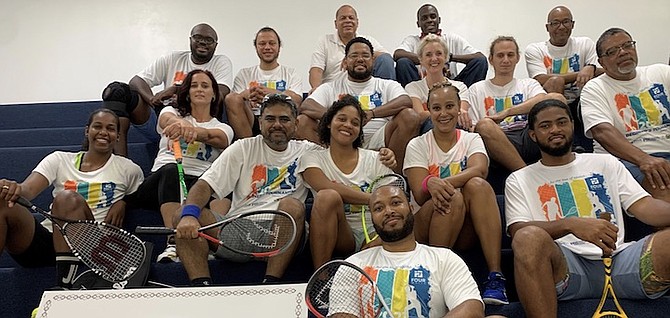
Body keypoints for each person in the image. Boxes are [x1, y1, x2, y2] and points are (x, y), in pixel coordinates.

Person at [506, 98, 670, 317]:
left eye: (561, 122)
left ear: (572, 125)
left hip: (621, 261)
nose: (555, 129)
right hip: (566, 270)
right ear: (533, 135)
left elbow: (646, 208)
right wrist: (570, 224)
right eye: (545, 126)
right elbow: (518, 231)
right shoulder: (519, 179)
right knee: (527, 238)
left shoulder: (605, 163)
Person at [173, 94, 320, 286]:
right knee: (181, 214)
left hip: (283, 230)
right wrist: (190, 215)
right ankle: (201, 288)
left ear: (295, 124)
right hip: (239, 227)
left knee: (292, 206)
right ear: (260, 122)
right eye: (270, 119)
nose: (277, 124)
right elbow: (204, 185)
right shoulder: (243, 147)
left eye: (284, 119)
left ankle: (270, 283)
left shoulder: (310, 151)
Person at [0, 109, 144, 289]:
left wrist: (124, 202)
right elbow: (27, 190)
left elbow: (141, 197)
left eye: (111, 128)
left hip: (89, 247)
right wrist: (10, 188)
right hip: (47, 241)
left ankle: (64, 286)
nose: (103, 132)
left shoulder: (129, 169)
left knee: (67, 198)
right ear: (87, 131)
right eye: (97, 126)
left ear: (117, 136)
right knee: (3, 202)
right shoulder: (60, 159)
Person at [404, 82, 508, 305]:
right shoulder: (417, 144)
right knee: (454, 196)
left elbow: (479, 169)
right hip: (426, 226)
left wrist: (435, 182)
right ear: (429, 110)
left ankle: (495, 276)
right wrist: (429, 186)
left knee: (478, 185)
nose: (443, 113)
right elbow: (419, 194)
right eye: (437, 108)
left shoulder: (471, 139)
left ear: (459, 107)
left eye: (449, 106)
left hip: (465, 227)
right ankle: (434, 278)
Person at [124, 70, 233, 262]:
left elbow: (218, 138)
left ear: (214, 94)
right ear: (187, 92)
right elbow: (167, 120)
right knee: (172, 171)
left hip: (199, 184)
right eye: (194, 85)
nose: (199, 89)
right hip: (161, 183)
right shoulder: (170, 112)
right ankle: (173, 241)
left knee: (221, 184)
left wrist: (195, 132)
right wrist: (181, 123)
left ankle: (213, 240)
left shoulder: (223, 127)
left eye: (205, 86)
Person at [328, 184, 485, 317]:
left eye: (396, 203)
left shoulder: (444, 258)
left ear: (410, 209)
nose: (388, 211)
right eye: (378, 208)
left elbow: (472, 307)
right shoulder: (353, 265)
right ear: (373, 219)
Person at [101, 23, 233, 155]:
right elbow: (136, 81)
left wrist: (176, 90)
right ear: (190, 40)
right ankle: (118, 162)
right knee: (117, 91)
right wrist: (152, 99)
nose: (203, 42)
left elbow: (220, 93)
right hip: (164, 119)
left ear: (216, 45)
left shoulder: (221, 62)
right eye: (198, 37)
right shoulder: (173, 58)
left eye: (209, 40)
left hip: (200, 125)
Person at [299, 95, 397, 270]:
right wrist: (373, 199)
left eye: (355, 123)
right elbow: (325, 186)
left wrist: (380, 239)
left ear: (360, 130)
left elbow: (394, 203)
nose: (347, 125)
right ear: (329, 122)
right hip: (341, 235)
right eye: (341, 119)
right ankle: (320, 276)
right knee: (327, 196)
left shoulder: (377, 159)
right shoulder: (312, 158)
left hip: (376, 232)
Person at [299, 37, 419, 173]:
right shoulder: (331, 87)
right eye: (354, 55)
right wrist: (337, 118)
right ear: (345, 62)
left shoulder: (385, 85)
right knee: (303, 121)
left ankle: (393, 177)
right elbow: (307, 105)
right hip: (339, 139)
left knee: (409, 116)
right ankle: (331, 172)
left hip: (377, 138)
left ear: (373, 60)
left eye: (365, 55)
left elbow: (406, 101)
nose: (360, 59)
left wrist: (371, 114)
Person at [581, 27, 670, 203]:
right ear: (602, 63)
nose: (623, 52)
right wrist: (644, 159)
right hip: (629, 160)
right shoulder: (594, 89)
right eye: (612, 51)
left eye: (627, 45)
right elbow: (602, 132)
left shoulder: (661, 72)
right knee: (661, 185)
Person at [465, 36, 562, 173]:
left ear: (518, 58)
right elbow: (474, 128)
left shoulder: (528, 84)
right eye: (500, 55)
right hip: (496, 140)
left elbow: (543, 99)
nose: (506, 60)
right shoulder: (477, 89)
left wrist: (508, 112)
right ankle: (524, 174)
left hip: (529, 136)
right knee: (484, 125)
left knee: (557, 99)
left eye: (510, 55)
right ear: (491, 59)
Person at [524, 5, 603, 151]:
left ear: (572, 24)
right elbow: (540, 79)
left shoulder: (585, 43)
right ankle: (571, 144)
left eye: (566, 22)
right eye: (555, 23)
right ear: (547, 27)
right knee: (555, 81)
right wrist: (584, 70)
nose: (561, 27)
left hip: (582, 99)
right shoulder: (535, 49)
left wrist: (591, 68)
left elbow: (602, 71)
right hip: (551, 102)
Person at [225, 27, 303, 139]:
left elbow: (297, 100)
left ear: (279, 47)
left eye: (272, 43)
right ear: (256, 47)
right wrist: (250, 94)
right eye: (262, 44)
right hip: (252, 120)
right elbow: (234, 100)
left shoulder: (291, 73)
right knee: (231, 98)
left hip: (280, 119)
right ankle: (247, 147)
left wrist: (270, 94)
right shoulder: (244, 73)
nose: (267, 47)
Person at [394, 4, 487, 88]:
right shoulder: (412, 41)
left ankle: (461, 99)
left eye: (433, 17)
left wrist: (448, 58)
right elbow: (397, 54)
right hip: (422, 88)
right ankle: (418, 100)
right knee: (403, 62)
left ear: (439, 20)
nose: (429, 20)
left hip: (452, 87)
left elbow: (479, 57)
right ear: (418, 23)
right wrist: (425, 60)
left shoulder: (451, 39)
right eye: (424, 18)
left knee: (480, 62)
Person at [308, 4, 395, 93]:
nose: (347, 21)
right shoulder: (325, 41)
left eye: (351, 18)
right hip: (334, 91)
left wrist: (355, 57)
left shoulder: (367, 41)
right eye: (343, 18)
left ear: (357, 22)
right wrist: (317, 90)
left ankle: (386, 95)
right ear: (336, 24)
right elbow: (316, 69)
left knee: (385, 60)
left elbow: (386, 57)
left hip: (365, 90)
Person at [405, 34, 471, 134]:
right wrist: (448, 113)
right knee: (432, 122)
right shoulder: (413, 87)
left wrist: (435, 114)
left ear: (446, 57)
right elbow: (420, 116)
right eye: (428, 55)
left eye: (439, 54)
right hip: (426, 133)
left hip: (455, 131)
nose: (434, 58)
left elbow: (461, 114)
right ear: (421, 60)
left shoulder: (460, 87)